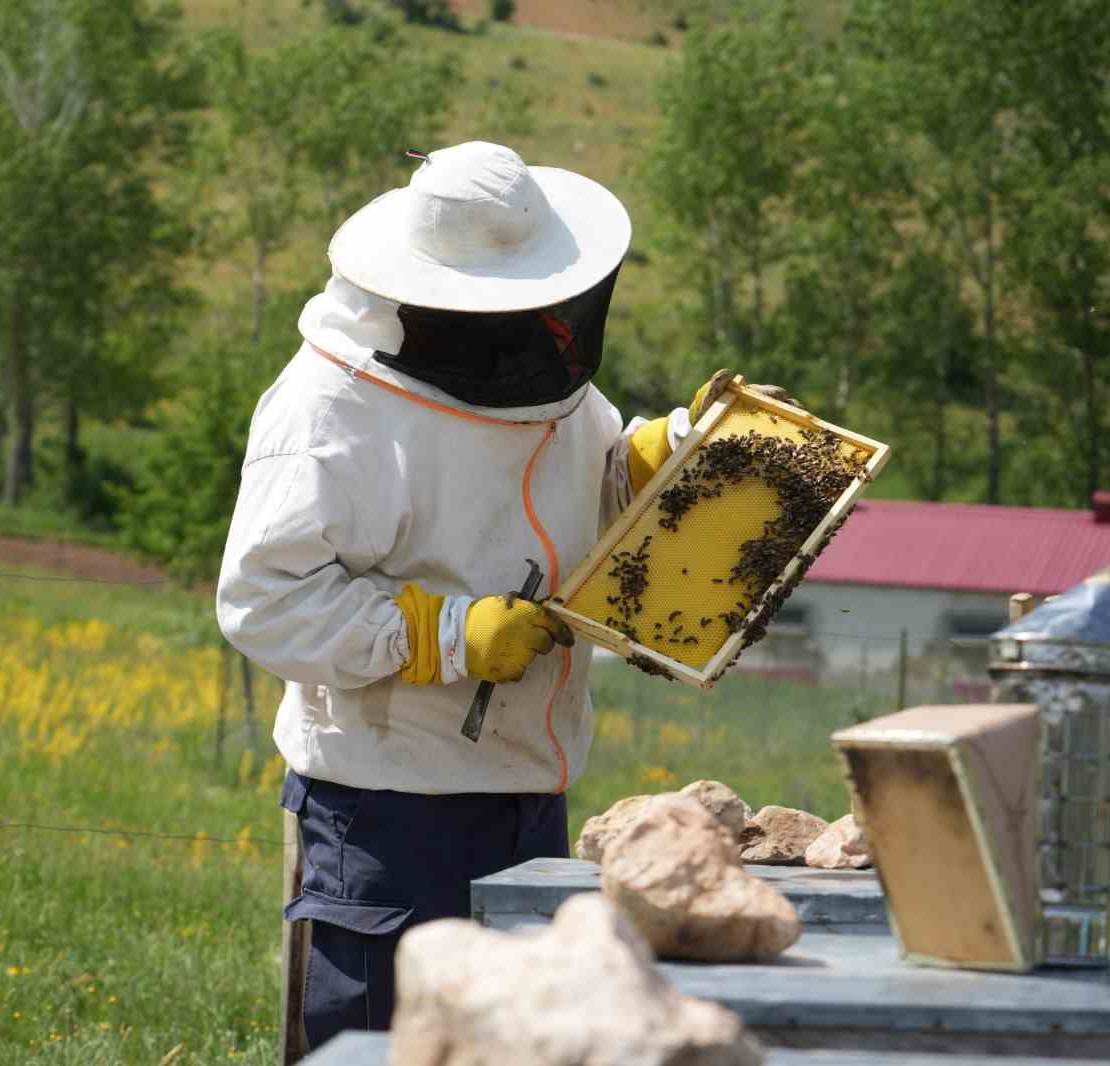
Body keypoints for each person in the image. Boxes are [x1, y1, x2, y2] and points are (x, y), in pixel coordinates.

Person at [216, 141, 767, 1047]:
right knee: (382, 1046)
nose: (542, 322)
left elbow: (578, 476)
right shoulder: (329, 411)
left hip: (529, 790)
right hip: (387, 807)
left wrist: (655, 457)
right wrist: (438, 635)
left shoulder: (534, 363)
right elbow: (264, 601)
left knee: (513, 1046)